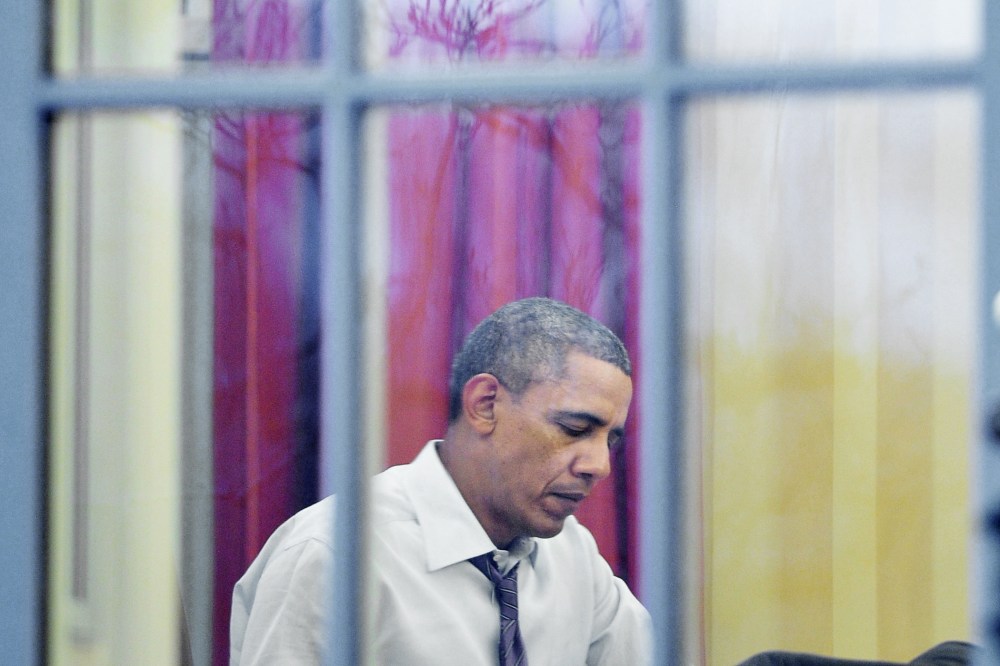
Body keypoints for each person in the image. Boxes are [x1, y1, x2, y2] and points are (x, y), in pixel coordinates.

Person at [230, 297, 652, 664]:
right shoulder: (336, 554)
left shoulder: (572, 555)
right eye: (575, 429)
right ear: (485, 404)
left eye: (610, 440)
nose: (599, 466)